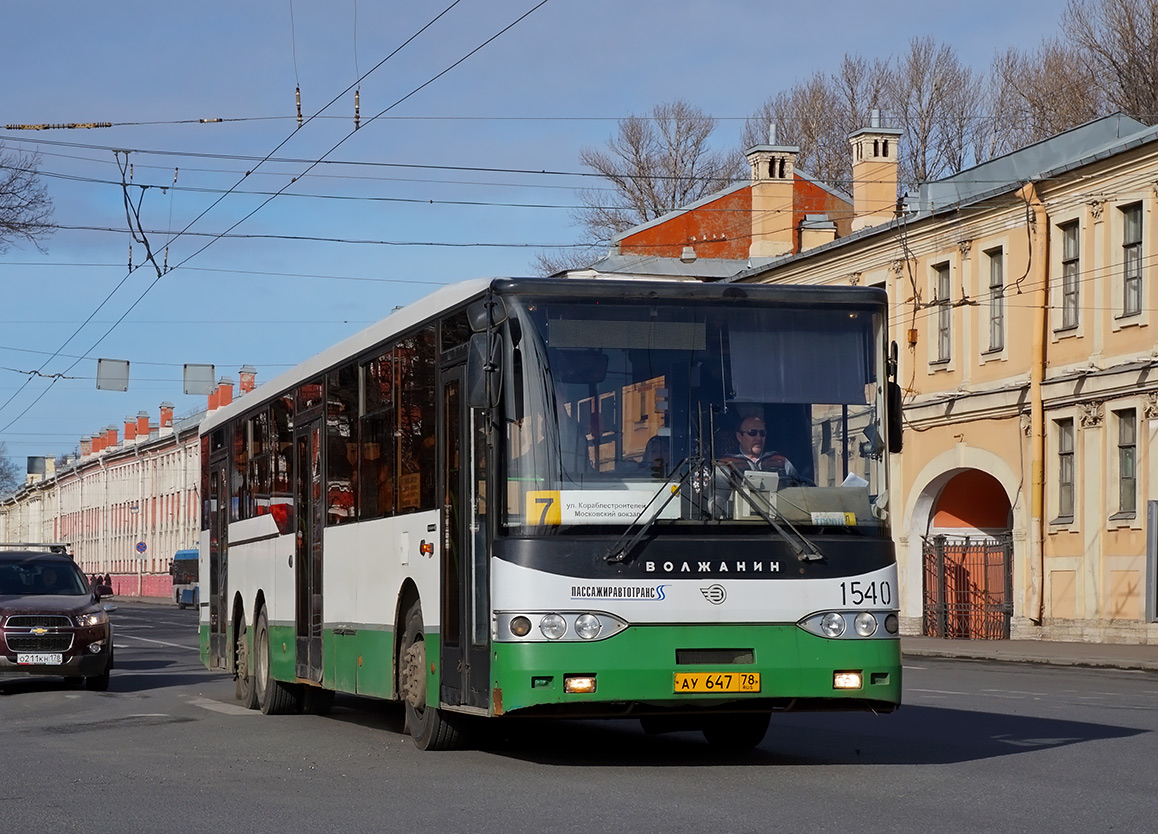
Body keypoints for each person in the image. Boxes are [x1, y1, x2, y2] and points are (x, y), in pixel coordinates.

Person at [720, 416, 798, 479]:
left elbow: (799, 491)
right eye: (752, 433)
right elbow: (718, 497)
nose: (758, 438)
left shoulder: (782, 462)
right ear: (739, 437)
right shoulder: (726, 464)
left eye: (762, 433)